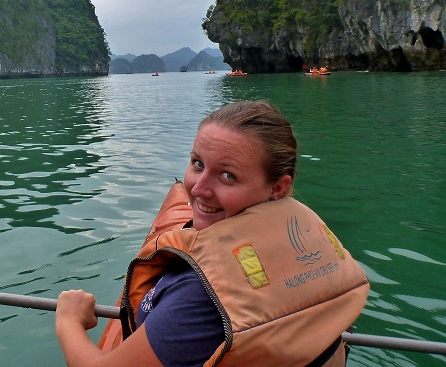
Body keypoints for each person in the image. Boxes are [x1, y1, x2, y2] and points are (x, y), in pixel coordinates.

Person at [55, 100, 369, 367]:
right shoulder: (304, 241)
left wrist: (69, 320)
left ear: (277, 188)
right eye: (197, 164)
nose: (198, 189)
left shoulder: (200, 296)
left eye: (228, 176)